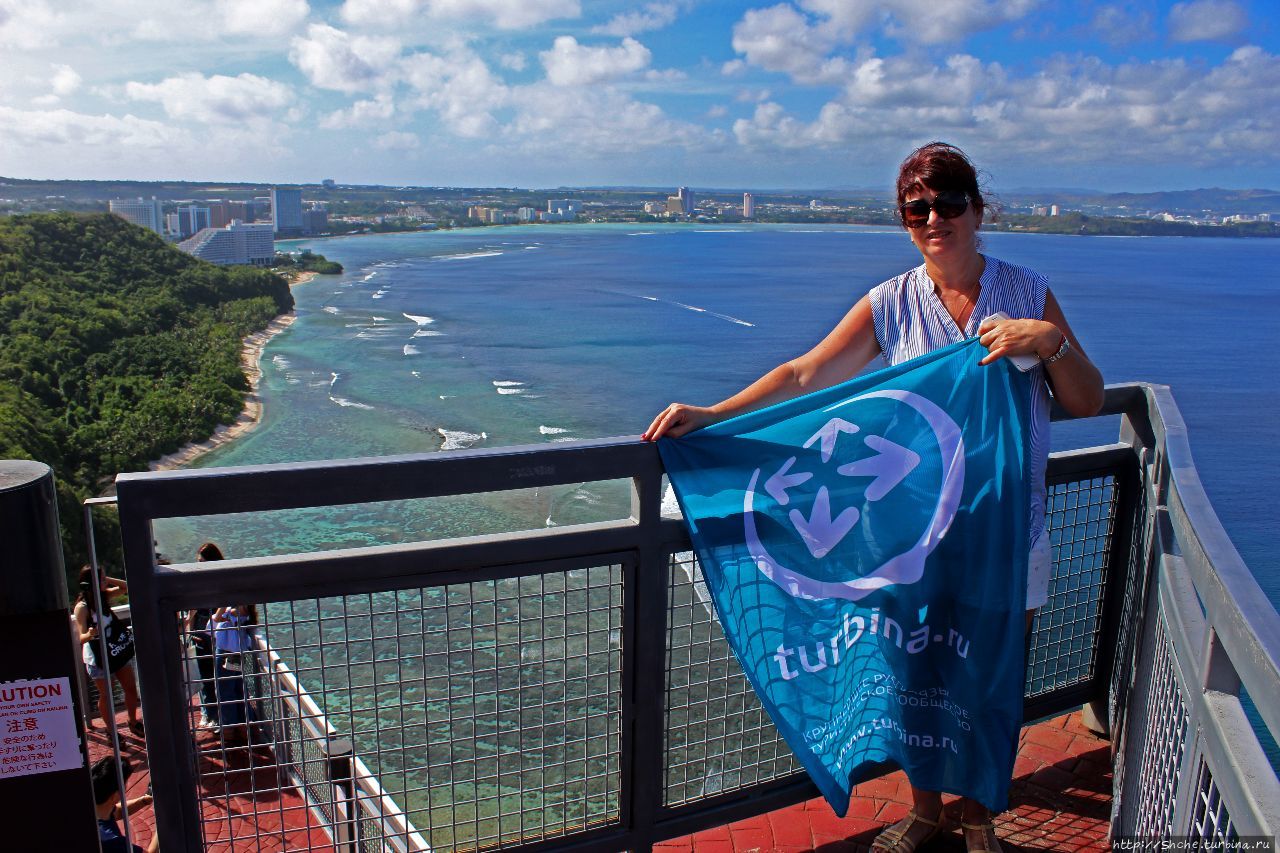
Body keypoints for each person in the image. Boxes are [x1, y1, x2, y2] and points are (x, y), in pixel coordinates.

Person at [643, 142, 1103, 852]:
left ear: (979, 210)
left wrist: (1050, 343)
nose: (933, 219)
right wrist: (713, 416)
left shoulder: (1027, 291)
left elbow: (1087, 398)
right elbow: (805, 374)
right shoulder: (891, 303)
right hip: (914, 537)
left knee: (989, 677)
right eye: (917, 208)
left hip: (1010, 534)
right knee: (913, 674)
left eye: (949, 204)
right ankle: (925, 810)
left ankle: (979, 818)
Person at [74, 566, 144, 738]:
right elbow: (80, 637)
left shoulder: (103, 597)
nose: (105, 581)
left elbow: (125, 587)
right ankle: (111, 730)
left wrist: (106, 580)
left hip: (116, 650)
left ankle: (132, 720)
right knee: (107, 695)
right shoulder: (82, 607)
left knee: (130, 688)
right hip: (97, 655)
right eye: (101, 578)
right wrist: (90, 634)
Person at [183, 543, 223, 731]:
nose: (198, 565)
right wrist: (190, 632)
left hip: (215, 633)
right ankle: (210, 714)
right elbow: (192, 609)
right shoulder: (198, 581)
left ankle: (218, 716)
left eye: (202, 561)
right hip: (201, 632)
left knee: (218, 676)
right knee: (205, 675)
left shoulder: (219, 581)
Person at [91, 755, 160, 853]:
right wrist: (163, 823)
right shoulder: (112, 841)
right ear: (114, 796)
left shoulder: (99, 808)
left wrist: (143, 801)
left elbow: (117, 812)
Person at [210, 602, 257, 744]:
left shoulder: (233, 610)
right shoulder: (247, 609)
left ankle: (229, 729)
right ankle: (245, 727)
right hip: (237, 653)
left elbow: (216, 618)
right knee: (239, 690)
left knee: (224, 691)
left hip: (225, 653)